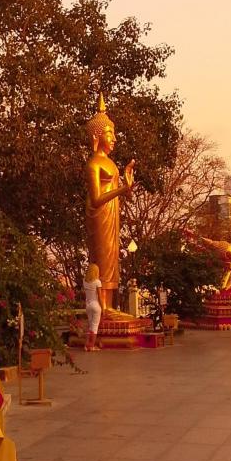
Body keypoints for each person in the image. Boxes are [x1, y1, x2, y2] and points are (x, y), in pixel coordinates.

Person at [85, 93, 134, 311]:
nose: (114, 139)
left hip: (112, 212)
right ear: (97, 136)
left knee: (113, 257)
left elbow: (119, 191)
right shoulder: (94, 163)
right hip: (99, 213)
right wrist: (122, 189)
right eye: (109, 134)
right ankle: (102, 308)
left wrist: (127, 188)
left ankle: (110, 306)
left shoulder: (111, 163)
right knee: (102, 257)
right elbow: (96, 198)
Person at [83, 263, 103, 351]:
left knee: (90, 326)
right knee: (94, 327)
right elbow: (100, 297)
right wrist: (104, 308)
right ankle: (92, 346)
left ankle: (86, 345)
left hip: (88, 305)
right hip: (95, 305)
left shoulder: (85, 281)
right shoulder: (97, 282)